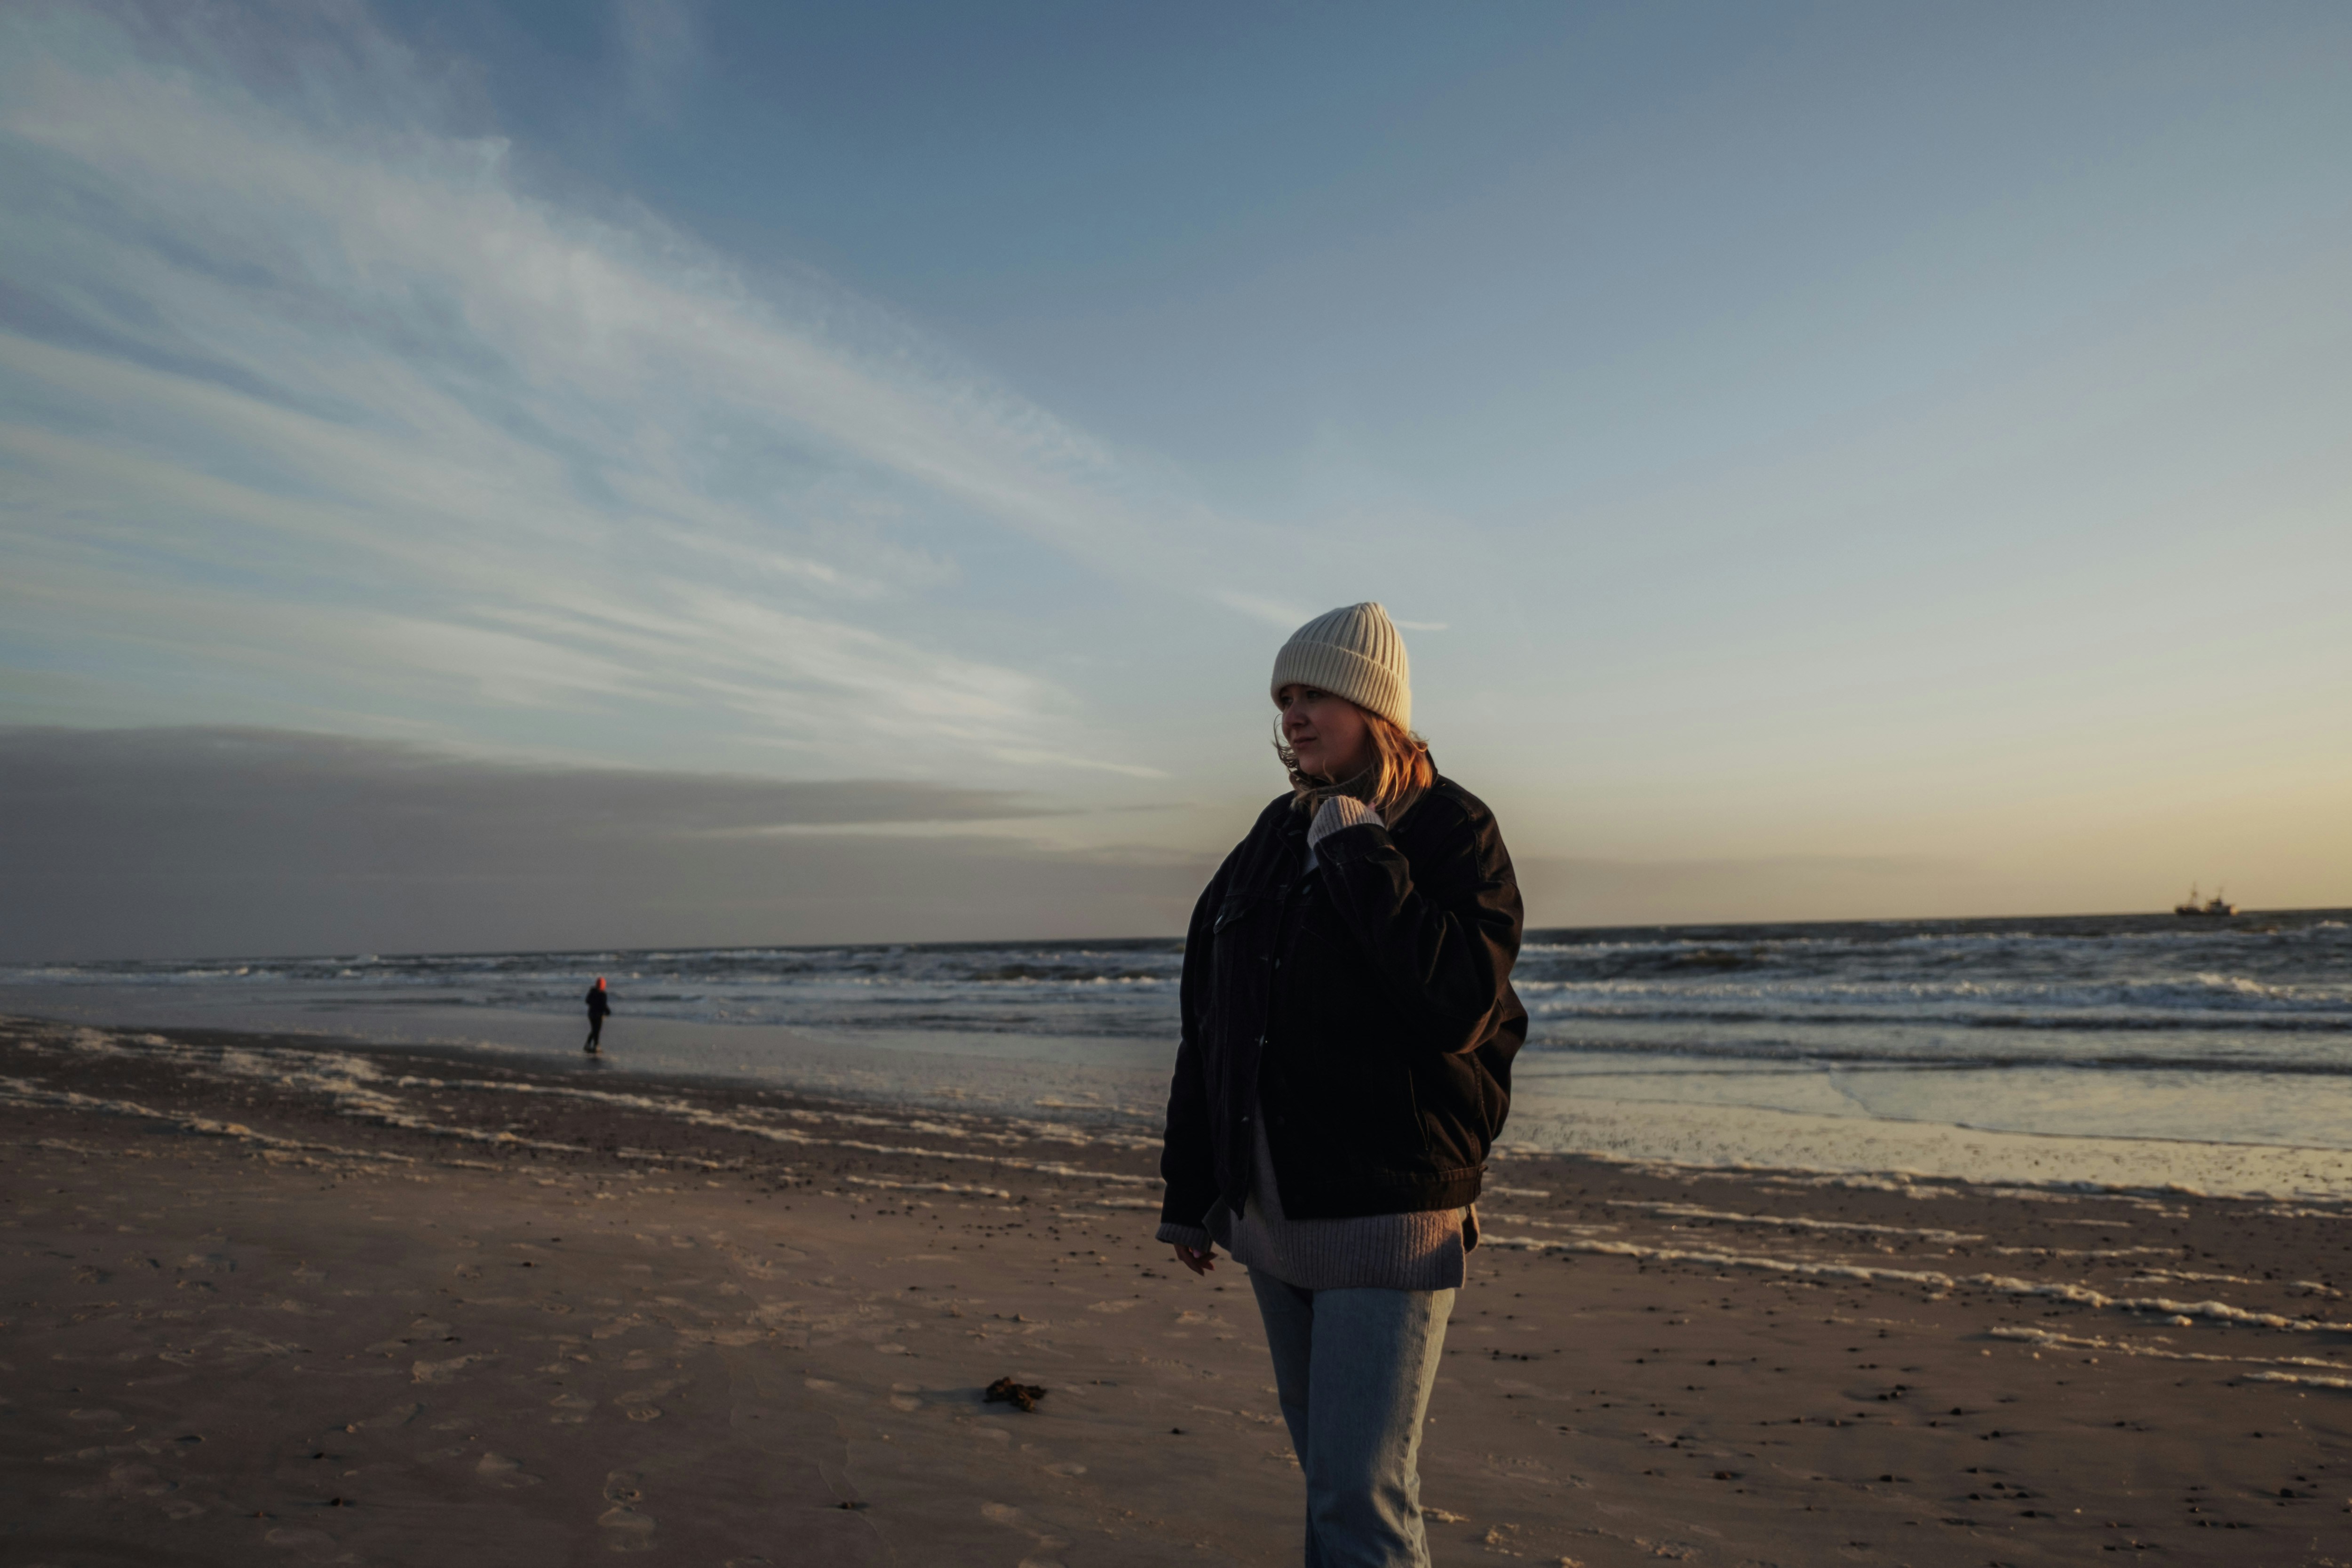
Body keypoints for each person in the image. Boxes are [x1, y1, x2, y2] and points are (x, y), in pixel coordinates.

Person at [1156, 602, 1525, 1568]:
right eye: (1283, 696)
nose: (1292, 713)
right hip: (1272, 1214)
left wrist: (1361, 850)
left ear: (1375, 706)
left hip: (1388, 1217)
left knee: (1360, 1497)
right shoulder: (1268, 839)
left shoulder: (1453, 829)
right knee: (1330, 1483)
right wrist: (1193, 1191)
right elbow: (1213, 1023)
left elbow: (1457, 1005)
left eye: (1314, 692)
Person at [583, 976, 611, 1054]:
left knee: (594, 1030)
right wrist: (608, 1012)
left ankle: (589, 1045)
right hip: (599, 1015)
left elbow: (587, 1001)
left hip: (591, 1014)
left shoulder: (592, 992)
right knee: (597, 1030)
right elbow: (603, 1005)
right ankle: (595, 1046)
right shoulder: (603, 994)